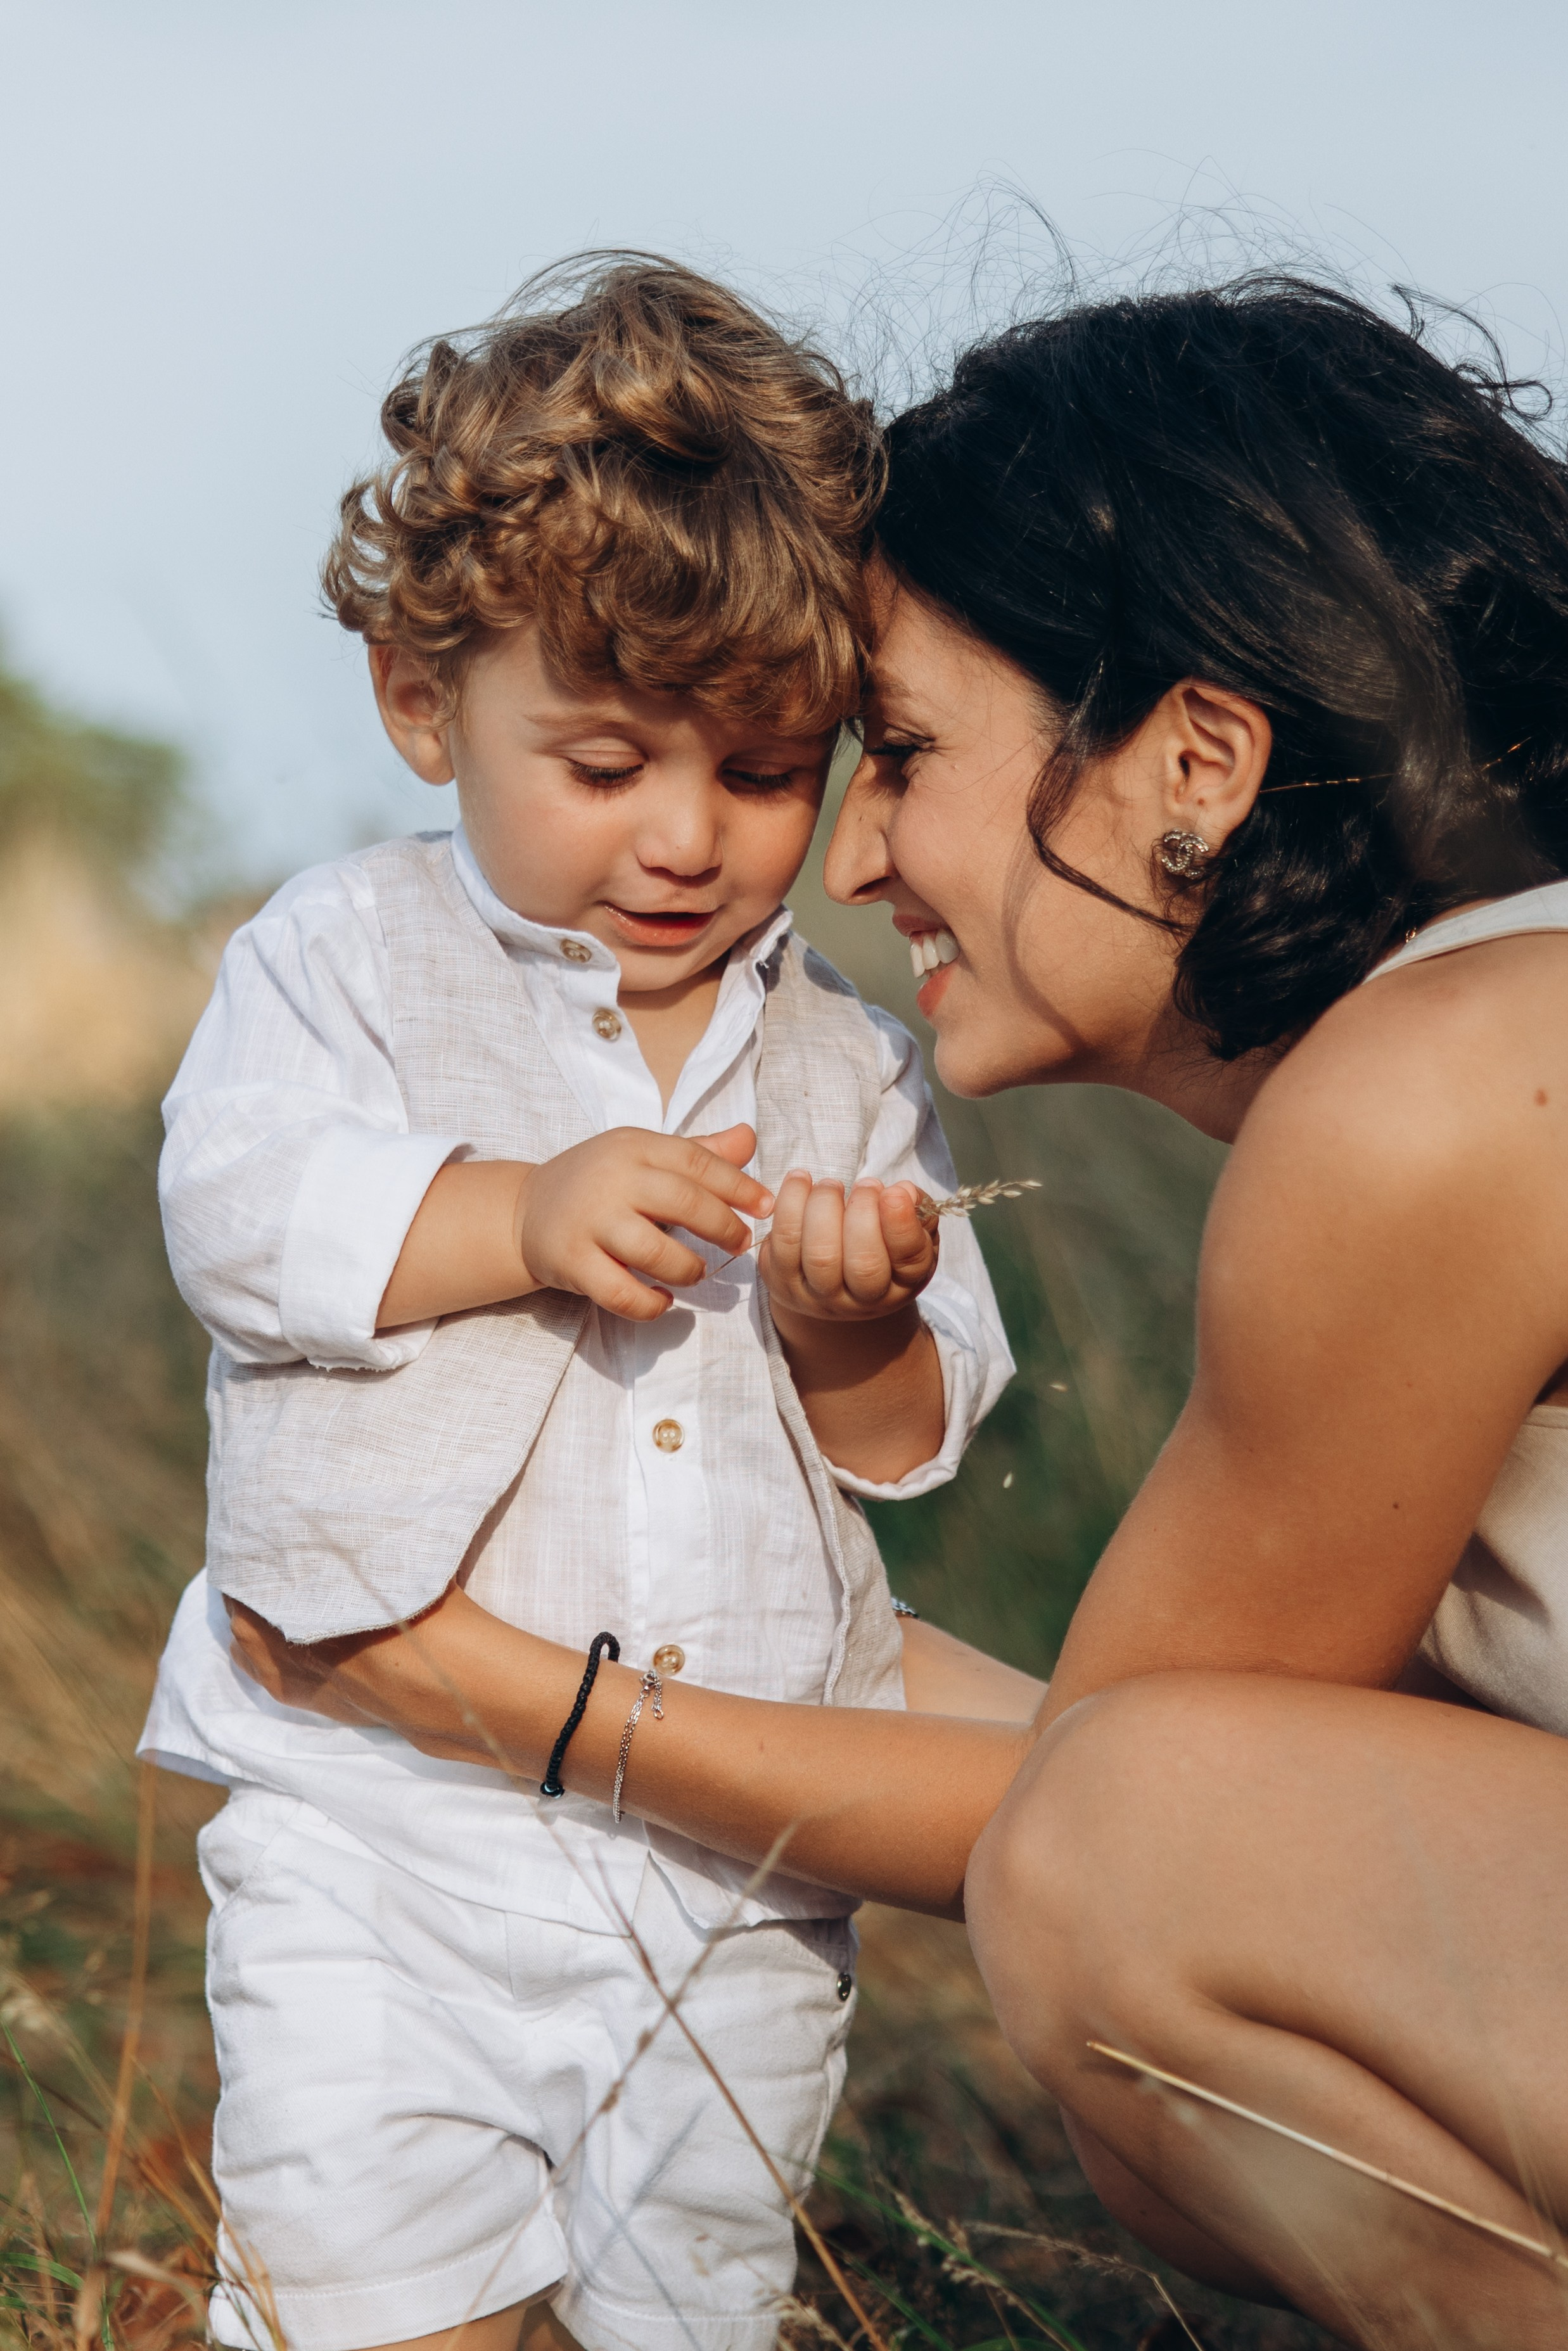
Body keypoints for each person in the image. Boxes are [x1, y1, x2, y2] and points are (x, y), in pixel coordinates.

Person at [228, 270, 1568, 2349]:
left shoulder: (1442, 1092)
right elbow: (1268, 1781)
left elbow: (1120, 1818)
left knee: (1122, 1883)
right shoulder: (1502, 1014)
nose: (849, 858)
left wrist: (501, 1694)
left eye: (897, 753)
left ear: (1192, 761)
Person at [139, 257, 1017, 2351]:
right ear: (421, 702)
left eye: (765, 767)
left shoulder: (845, 1058)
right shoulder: (339, 958)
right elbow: (236, 1213)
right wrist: (512, 1216)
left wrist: (853, 1333)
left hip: (734, 1857)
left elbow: (910, 1450)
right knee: (372, 2284)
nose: (689, 839)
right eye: (607, 761)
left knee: (690, 2298)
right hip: (384, 1825)